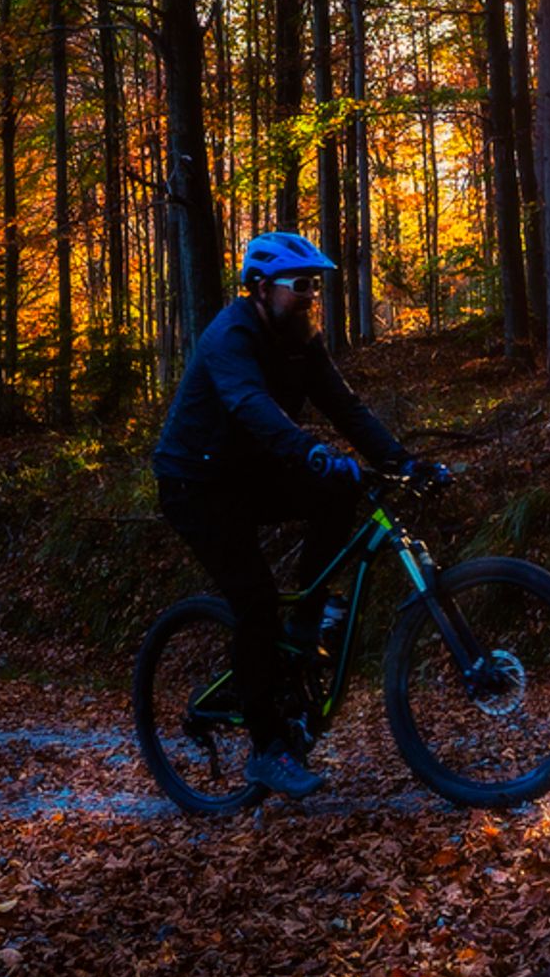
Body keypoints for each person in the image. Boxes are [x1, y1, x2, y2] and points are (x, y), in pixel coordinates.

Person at [152, 232, 440, 798]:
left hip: (246, 471)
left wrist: (405, 461)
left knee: (337, 492)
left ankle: (305, 621)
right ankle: (268, 750)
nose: (312, 297)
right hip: (196, 483)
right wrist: (308, 451)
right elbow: (249, 406)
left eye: (317, 286)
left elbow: (345, 406)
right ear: (260, 288)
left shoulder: (300, 340)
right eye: (301, 286)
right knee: (255, 600)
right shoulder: (229, 336)